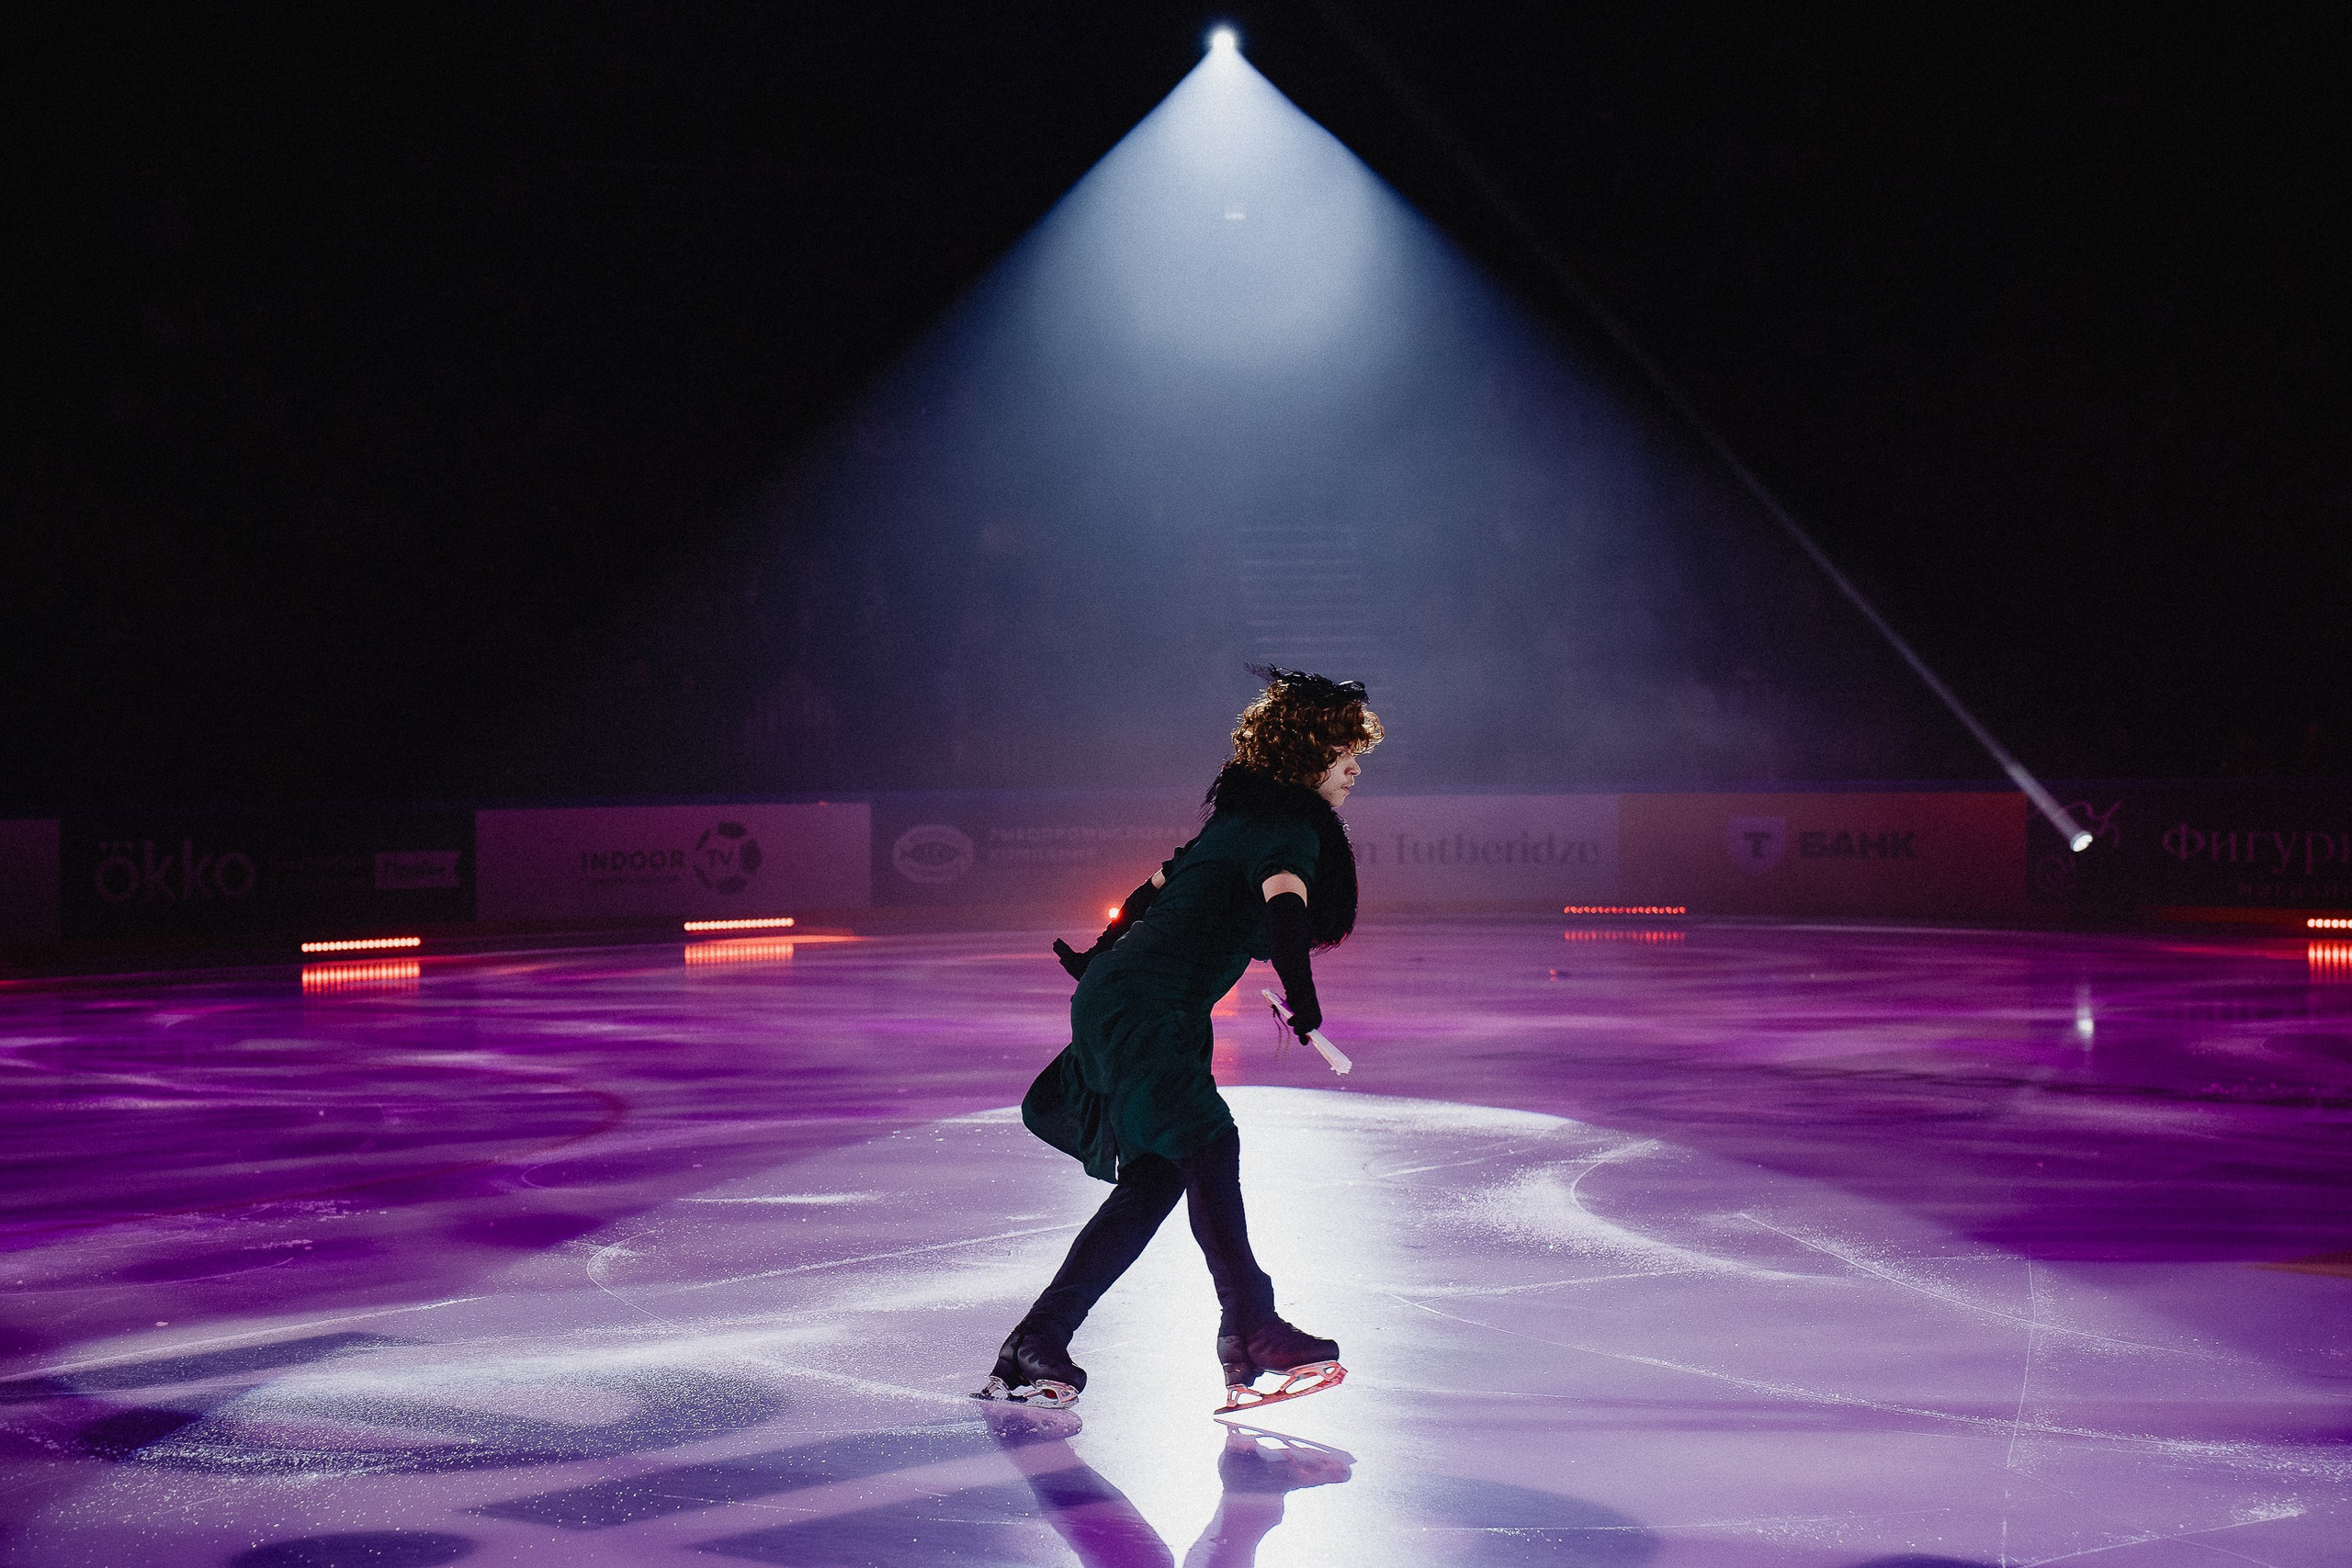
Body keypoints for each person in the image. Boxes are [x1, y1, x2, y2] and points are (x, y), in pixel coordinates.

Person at [978, 666, 1381, 1412]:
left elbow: (1153, 886)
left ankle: (1038, 1339)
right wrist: (1304, 999)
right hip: (1146, 1007)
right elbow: (1285, 906)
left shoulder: (1236, 821)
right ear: (1306, 752)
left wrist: (1100, 950)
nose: (1356, 768)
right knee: (1208, 1142)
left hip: (1137, 1003)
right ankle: (1252, 1325)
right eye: (1344, 751)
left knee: (1161, 1175)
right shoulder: (1290, 825)